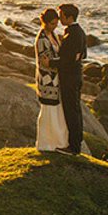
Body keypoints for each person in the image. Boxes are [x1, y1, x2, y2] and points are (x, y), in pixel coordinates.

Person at [54, 3, 87, 155]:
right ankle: (76, 143)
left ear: (69, 17)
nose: (59, 18)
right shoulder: (79, 31)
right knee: (75, 110)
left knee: (71, 112)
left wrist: (51, 62)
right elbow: (82, 54)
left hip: (70, 78)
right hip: (76, 76)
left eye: (61, 16)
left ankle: (73, 147)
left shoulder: (73, 34)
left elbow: (67, 59)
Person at [34, 8, 68, 151]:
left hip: (55, 79)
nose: (55, 26)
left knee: (56, 111)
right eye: (52, 24)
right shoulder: (42, 38)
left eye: (56, 23)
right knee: (48, 111)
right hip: (47, 80)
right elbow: (45, 62)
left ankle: (58, 142)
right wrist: (63, 63)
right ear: (45, 23)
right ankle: (46, 143)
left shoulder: (52, 34)